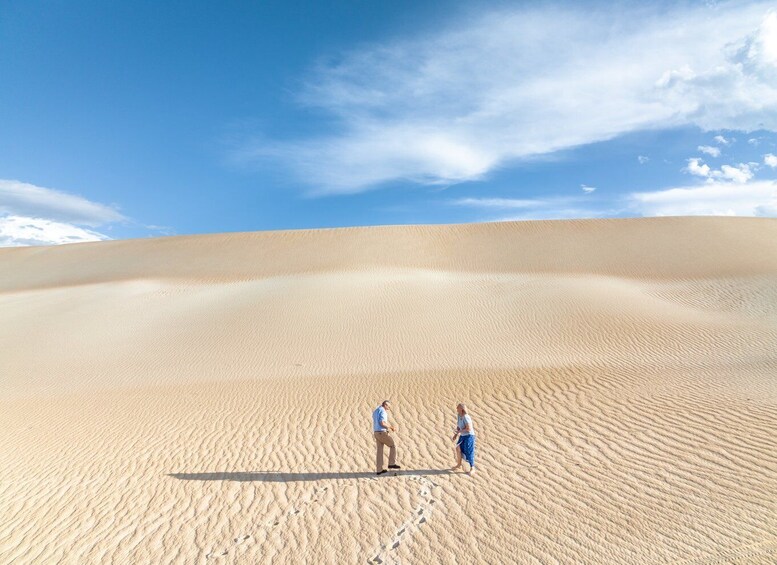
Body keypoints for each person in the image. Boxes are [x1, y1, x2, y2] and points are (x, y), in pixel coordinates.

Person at [372, 400, 401, 475]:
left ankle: (379, 470)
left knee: (379, 451)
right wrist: (391, 427)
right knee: (393, 445)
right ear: (385, 405)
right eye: (388, 406)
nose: (389, 408)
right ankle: (391, 463)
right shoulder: (383, 411)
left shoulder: (376, 411)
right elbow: (382, 423)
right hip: (382, 433)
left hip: (376, 433)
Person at [451, 403, 475, 473]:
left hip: (469, 436)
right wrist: (456, 434)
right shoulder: (459, 415)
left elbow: (469, 429)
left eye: (458, 408)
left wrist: (460, 431)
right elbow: (459, 426)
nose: (456, 409)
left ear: (462, 409)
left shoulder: (466, 417)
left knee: (469, 451)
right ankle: (459, 465)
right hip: (463, 435)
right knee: (457, 448)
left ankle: (472, 468)